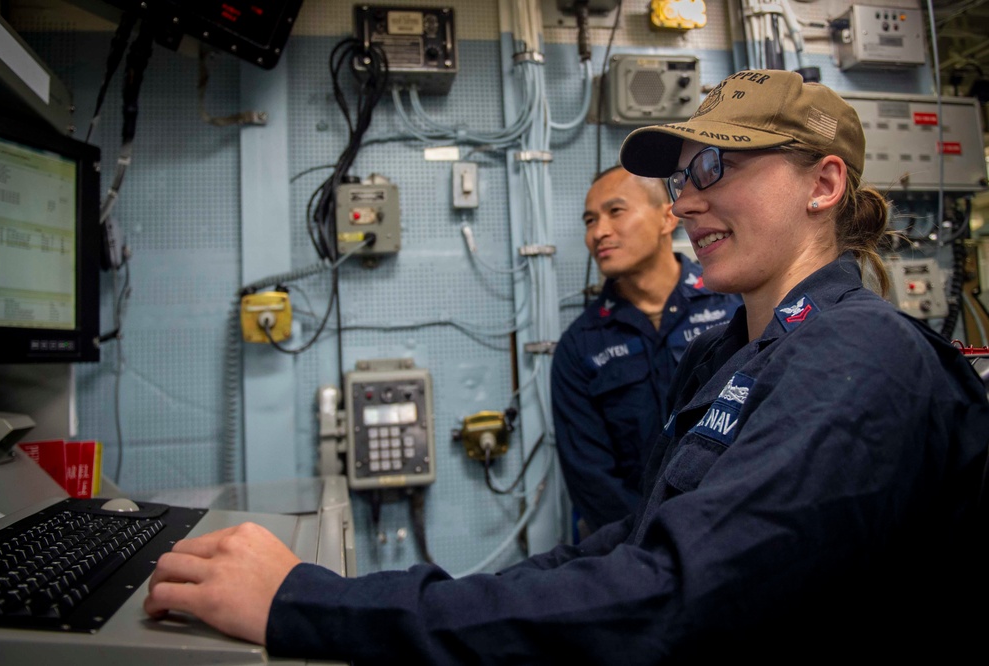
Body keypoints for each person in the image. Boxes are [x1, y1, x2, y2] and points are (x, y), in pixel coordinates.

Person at [144, 70, 989, 663]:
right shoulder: (729, 353)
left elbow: (668, 600)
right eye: (687, 173)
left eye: (720, 167)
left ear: (824, 183)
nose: (690, 199)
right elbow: (626, 542)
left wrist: (312, 608)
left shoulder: (856, 356)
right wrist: (349, 592)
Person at [554, 167, 740, 532]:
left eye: (616, 211)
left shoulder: (734, 309)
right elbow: (592, 482)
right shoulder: (581, 346)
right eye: (590, 220)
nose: (598, 232)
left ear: (667, 217)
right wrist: (653, 546)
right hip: (637, 548)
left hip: (736, 528)